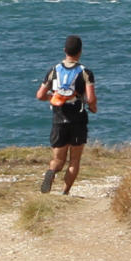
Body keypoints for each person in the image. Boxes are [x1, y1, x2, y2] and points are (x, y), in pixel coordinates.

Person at [35, 34, 97, 194]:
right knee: (74, 160)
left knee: (58, 159)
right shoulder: (85, 72)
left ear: (64, 50)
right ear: (80, 51)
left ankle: (52, 171)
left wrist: (53, 97)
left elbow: (40, 95)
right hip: (78, 120)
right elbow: (91, 99)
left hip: (59, 118)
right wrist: (93, 107)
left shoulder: (53, 70)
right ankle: (65, 192)